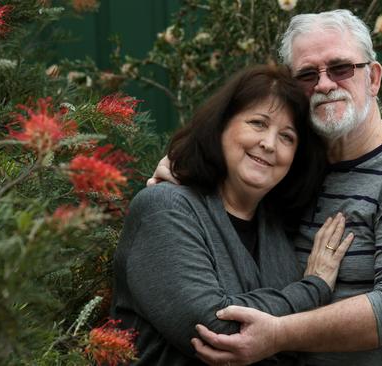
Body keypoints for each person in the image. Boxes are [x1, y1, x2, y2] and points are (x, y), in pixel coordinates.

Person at [151, 9, 382, 366]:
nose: (324, 85)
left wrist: (278, 334)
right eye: (307, 75)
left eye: (340, 68)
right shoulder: (294, 169)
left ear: (373, 78)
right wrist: (186, 173)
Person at [111, 65, 355, 365]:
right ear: (221, 125)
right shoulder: (164, 207)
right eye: (257, 123)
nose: (269, 143)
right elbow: (216, 329)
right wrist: (313, 288)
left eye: (287, 137)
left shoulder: (277, 228)